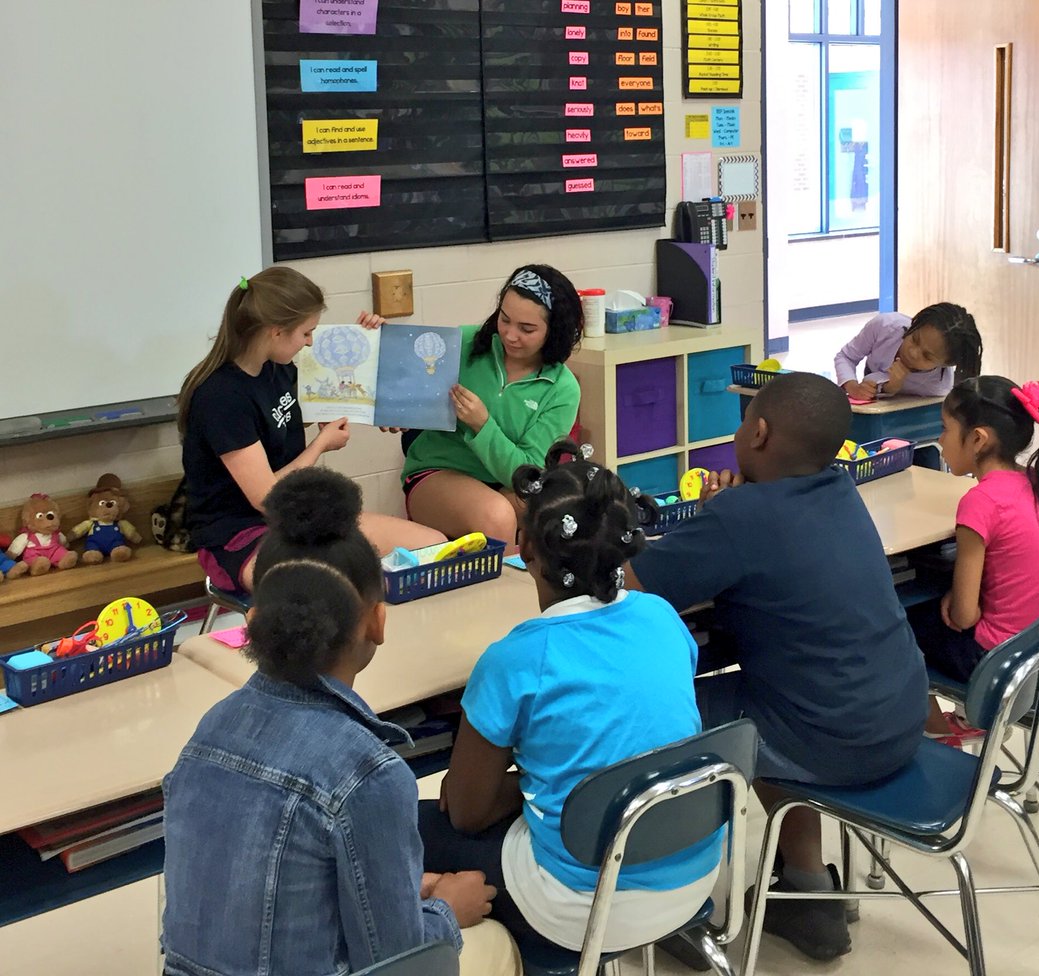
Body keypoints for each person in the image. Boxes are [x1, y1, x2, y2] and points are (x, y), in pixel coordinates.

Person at [161, 467, 519, 976]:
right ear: (378, 620)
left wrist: (404, 887)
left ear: (253, 623)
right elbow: (398, 960)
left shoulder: (207, 731)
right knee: (493, 940)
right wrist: (445, 912)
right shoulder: (370, 773)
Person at [624, 372, 929, 962]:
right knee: (782, 697)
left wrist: (715, 520)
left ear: (757, 431)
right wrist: (726, 514)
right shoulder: (839, 489)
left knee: (657, 715)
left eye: (743, 422)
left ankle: (673, 906)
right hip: (897, 715)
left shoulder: (741, 519)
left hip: (829, 739)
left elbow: (634, 587)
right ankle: (808, 893)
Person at [418, 441, 721, 955]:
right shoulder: (663, 618)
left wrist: (530, 786)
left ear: (525, 547)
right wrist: (572, 781)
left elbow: (466, 812)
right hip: (693, 876)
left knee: (416, 822)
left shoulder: (517, 658)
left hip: (582, 905)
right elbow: (647, 731)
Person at [178, 266, 444, 592]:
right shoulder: (221, 397)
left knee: (432, 546)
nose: (310, 342)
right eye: (306, 333)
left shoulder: (279, 367)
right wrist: (320, 444)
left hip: (300, 518)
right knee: (332, 584)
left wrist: (374, 340)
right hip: (239, 535)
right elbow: (267, 498)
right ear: (276, 332)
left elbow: (351, 388)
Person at [912, 376, 1039, 743]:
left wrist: (955, 597)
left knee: (899, 623)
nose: (941, 441)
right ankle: (962, 719)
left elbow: (964, 616)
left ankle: (935, 732)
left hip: (1000, 668)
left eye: (945, 430)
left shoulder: (980, 502)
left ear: (978, 439)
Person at [401, 265, 583, 549]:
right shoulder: (464, 343)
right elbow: (402, 377)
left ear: (554, 331)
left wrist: (482, 425)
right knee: (497, 516)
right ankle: (517, 594)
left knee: (569, 512)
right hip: (437, 473)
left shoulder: (562, 387)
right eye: (505, 319)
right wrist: (376, 334)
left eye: (527, 329)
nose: (510, 335)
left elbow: (529, 475)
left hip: (508, 484)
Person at [834, 303, 983, 401]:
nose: (913, 353)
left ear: (945, 364)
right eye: (915, 339)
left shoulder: (939, 388)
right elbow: (846, 356)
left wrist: (890, 388)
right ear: (914, 325)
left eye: (927, 356)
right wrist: (852, 386)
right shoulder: (885, 326)